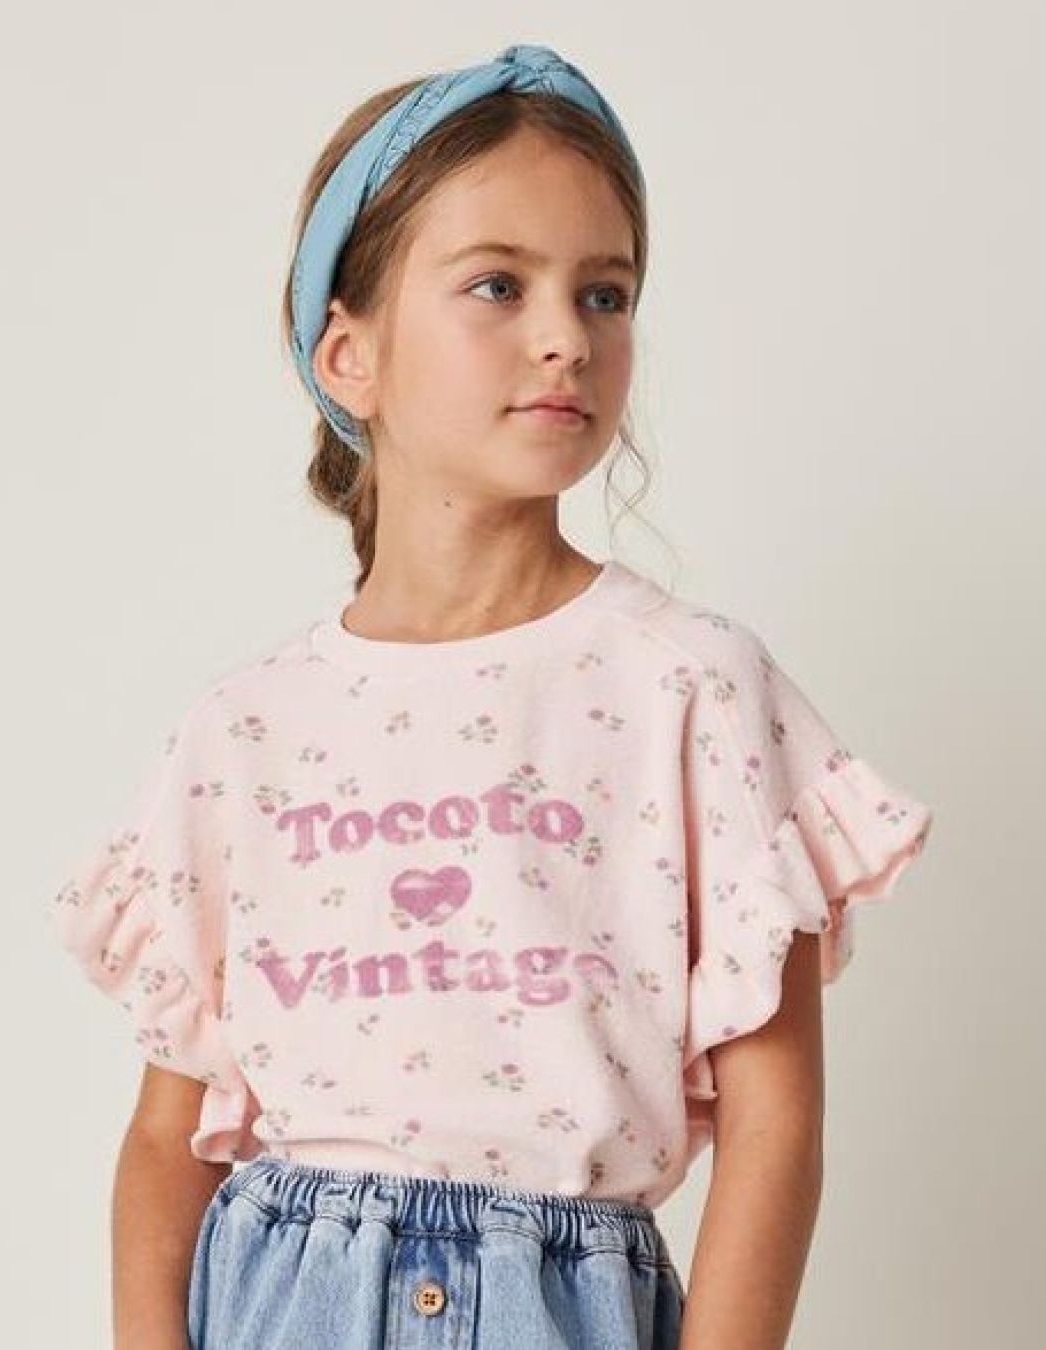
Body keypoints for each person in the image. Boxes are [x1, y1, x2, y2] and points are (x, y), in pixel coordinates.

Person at [48, 42, 934, 1350]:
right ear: (349, 354)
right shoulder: (245, 731)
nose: (566, 334)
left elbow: (777, 1125)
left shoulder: (692, 686)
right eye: (498, 285)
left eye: (606, 292)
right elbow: (164, 1138)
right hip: (280, 1303)